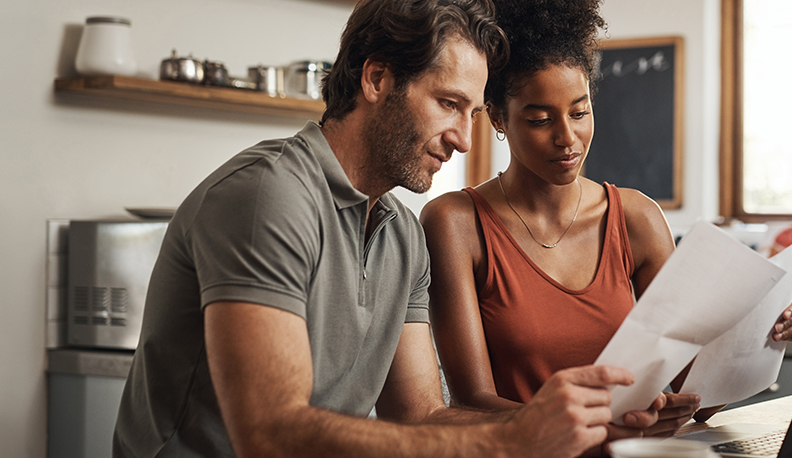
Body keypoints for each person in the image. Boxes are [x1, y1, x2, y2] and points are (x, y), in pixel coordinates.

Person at [112, 1, 657, 457]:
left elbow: (420, 415)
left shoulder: (400, 233)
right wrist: (509, 443)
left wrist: (571, 423)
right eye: (448, 104)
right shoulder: (269, 197)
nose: (464, 139)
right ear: (377, 79)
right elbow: (269, 432)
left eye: (471, 112)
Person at [419, 0, 792, 445]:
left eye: (579, 111)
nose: (567, 139)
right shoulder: (455, 222)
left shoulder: (636, 218)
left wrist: (772, 324)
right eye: (539, 119)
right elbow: (472, 401)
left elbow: (700, 395)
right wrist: (597, 430)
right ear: (497, 116)